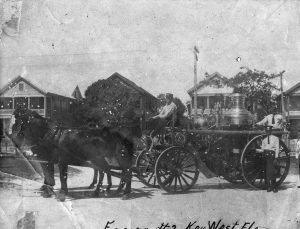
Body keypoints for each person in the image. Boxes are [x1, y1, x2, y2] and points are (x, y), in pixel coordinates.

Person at [257, 126, 280, 192]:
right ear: (265, 131)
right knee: (267, 172)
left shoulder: (275, 138)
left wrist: (276, 157)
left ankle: (275, 187)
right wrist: (257, 150)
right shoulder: (264, 140)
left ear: (271, 131)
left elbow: (277, 148)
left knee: (273, 171)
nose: (268, 132)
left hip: (272, 155)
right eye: (267, 131)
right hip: (266, 156)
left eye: (269, 130)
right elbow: (262, 149)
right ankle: (269, 187)